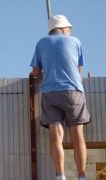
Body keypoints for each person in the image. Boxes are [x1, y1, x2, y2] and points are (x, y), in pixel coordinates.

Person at [30, 15, 90, 180]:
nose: (70, 32)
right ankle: (82, 176)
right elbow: (79, 69)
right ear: (63, 29)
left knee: (56, 137)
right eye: (69, 29)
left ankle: (60, 176)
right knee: (78, 136)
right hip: (73, 92)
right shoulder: (75, 41)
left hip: (50, 93)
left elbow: (35, 73)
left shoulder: (41, 43)